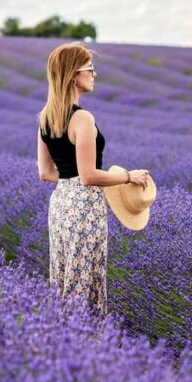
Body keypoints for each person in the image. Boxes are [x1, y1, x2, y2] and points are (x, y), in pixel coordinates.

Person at [37, 42, 150, 315]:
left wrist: (70, 183)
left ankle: (61, 335)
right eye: (90, 68)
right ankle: (86, 341)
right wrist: (127, 177)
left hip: (61, 203)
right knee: (86, 278)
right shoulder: (83, 118)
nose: (94, 74)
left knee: (63, 275)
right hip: (85, 207)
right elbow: (88, 176)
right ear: (74, 75)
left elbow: (46, 173)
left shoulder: (46, 116)